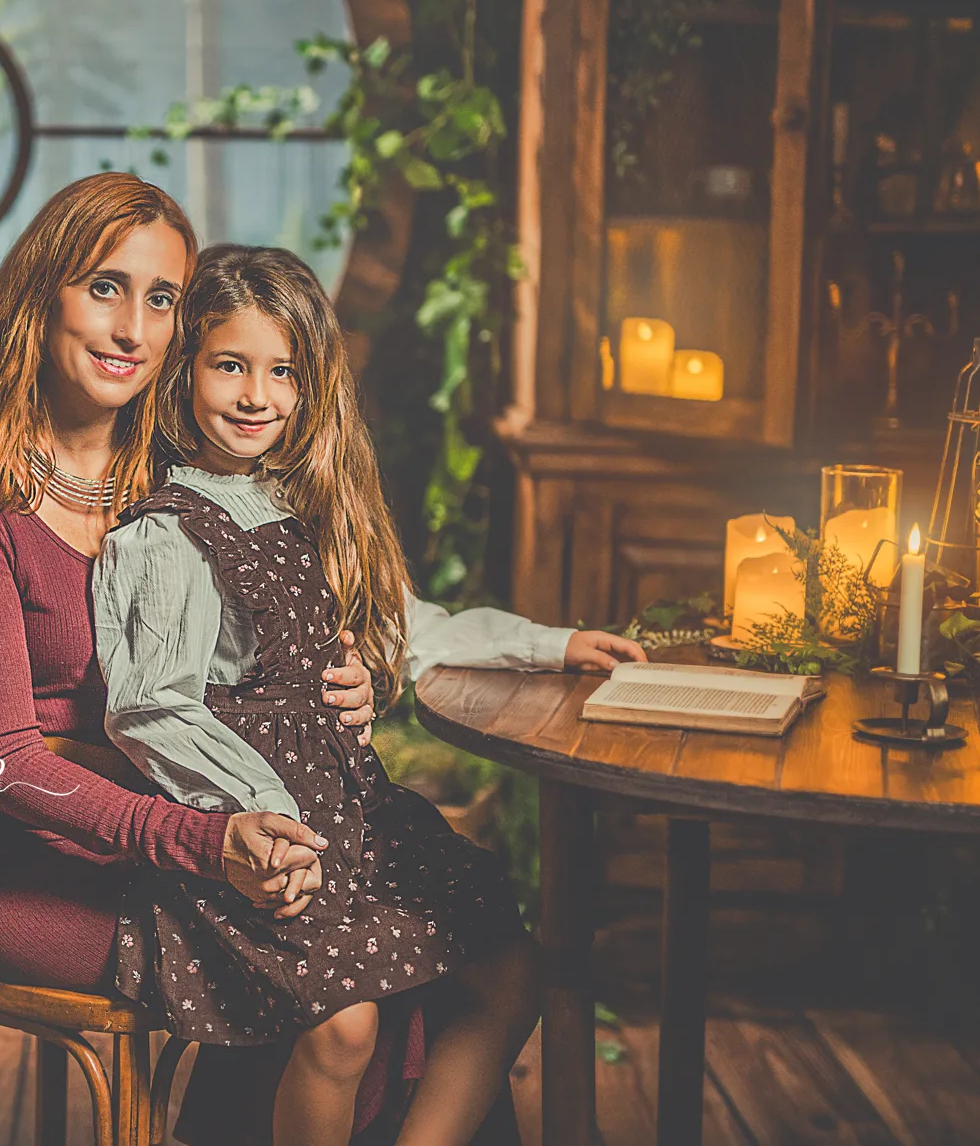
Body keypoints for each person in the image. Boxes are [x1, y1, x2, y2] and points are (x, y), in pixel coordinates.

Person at [92, 244, 645, 1146]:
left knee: (511, 974)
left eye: (283, 373)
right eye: (230, 364)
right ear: (186, 365)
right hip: (257, 834)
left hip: (355, 818)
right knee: (346, 1026)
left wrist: (551, 643)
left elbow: (401, 626)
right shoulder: (169, 532)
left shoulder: (291, 504)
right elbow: (153, 706)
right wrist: (264, 809)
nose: (255, 396)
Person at [0, 176, 391, 1141]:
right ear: (41, 296)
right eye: (105, 287)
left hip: (179, 832)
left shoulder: (167, 472)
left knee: (413, 952)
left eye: (161, 299)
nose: (131, 327)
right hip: (13, 866)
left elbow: (260, 639)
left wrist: (342, 673)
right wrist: (209, 841)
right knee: (341, 990)